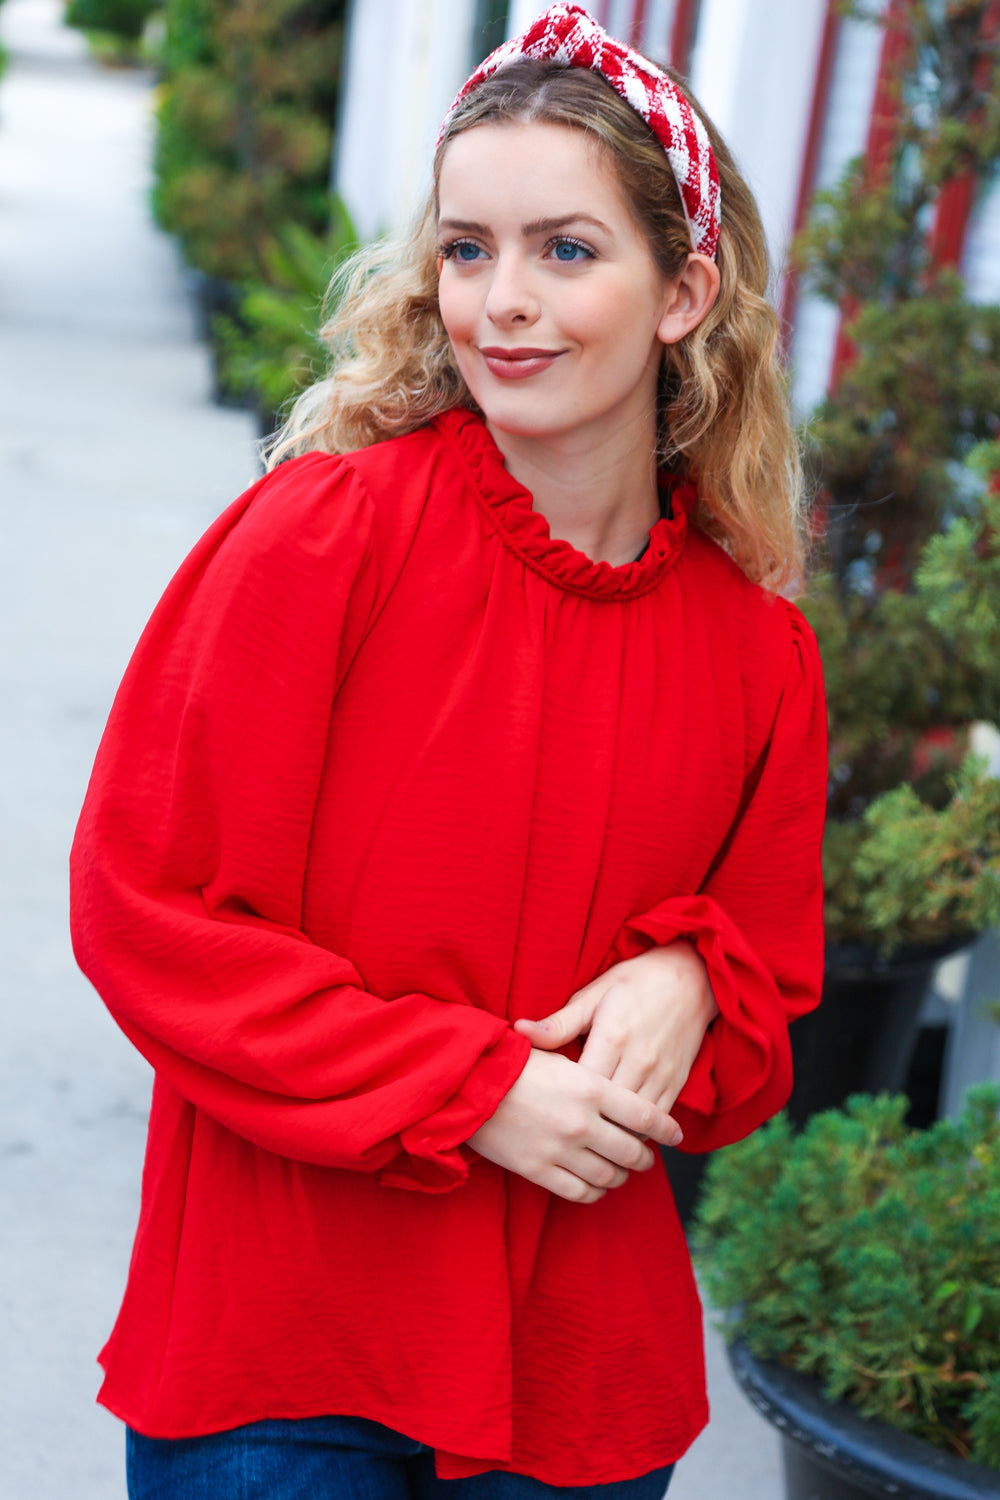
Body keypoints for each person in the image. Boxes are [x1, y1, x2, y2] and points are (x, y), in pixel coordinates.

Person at [70, 5, 827, 1498]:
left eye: (566, 250)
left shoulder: (758, 653)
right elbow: (150, 915)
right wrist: (470, 1087)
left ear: (684, 291)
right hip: (287, 1354)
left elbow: (756, 1041)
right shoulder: (321, 542)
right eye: (469, 249)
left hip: (574, 1381)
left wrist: (694, 976)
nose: (504, 303)